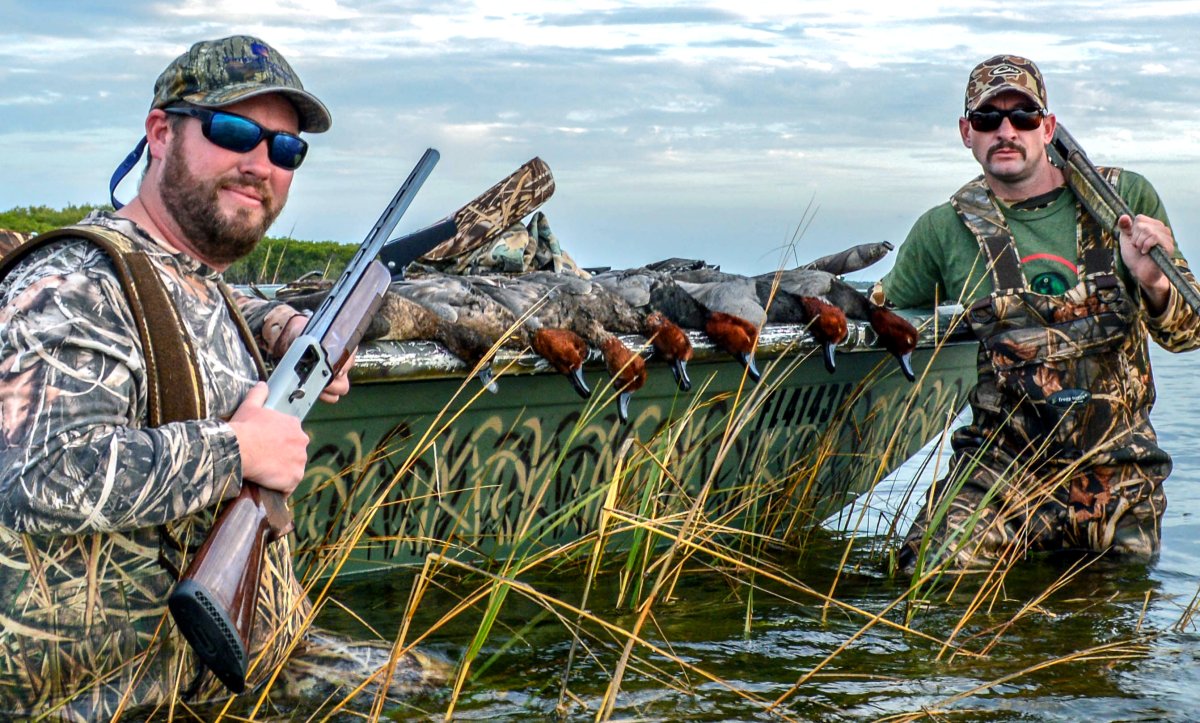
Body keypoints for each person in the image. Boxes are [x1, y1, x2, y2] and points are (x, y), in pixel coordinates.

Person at [0, 35, 441, 718]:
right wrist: (237, 451)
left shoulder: (188, 275)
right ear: (159, 134)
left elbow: (182, 302)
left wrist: (282, 326)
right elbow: (36, 478)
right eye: (233, 130)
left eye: (286, 149)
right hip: (123, 702)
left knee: (438, 676)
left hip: (230, 678)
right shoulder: (67, 287)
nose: (260, 162)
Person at [878, 55, 1200, 574]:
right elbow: (879, 314)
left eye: (1023, 116)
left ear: (1048, 127)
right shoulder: (943, 230)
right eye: (988, 119)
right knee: (926, 574)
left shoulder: (1121, 201)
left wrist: (1153, 280)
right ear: (967, 132)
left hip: (1120, 477)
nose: (1006, 131)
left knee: (1114, 631)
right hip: (1002, 475)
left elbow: (1189, 335)